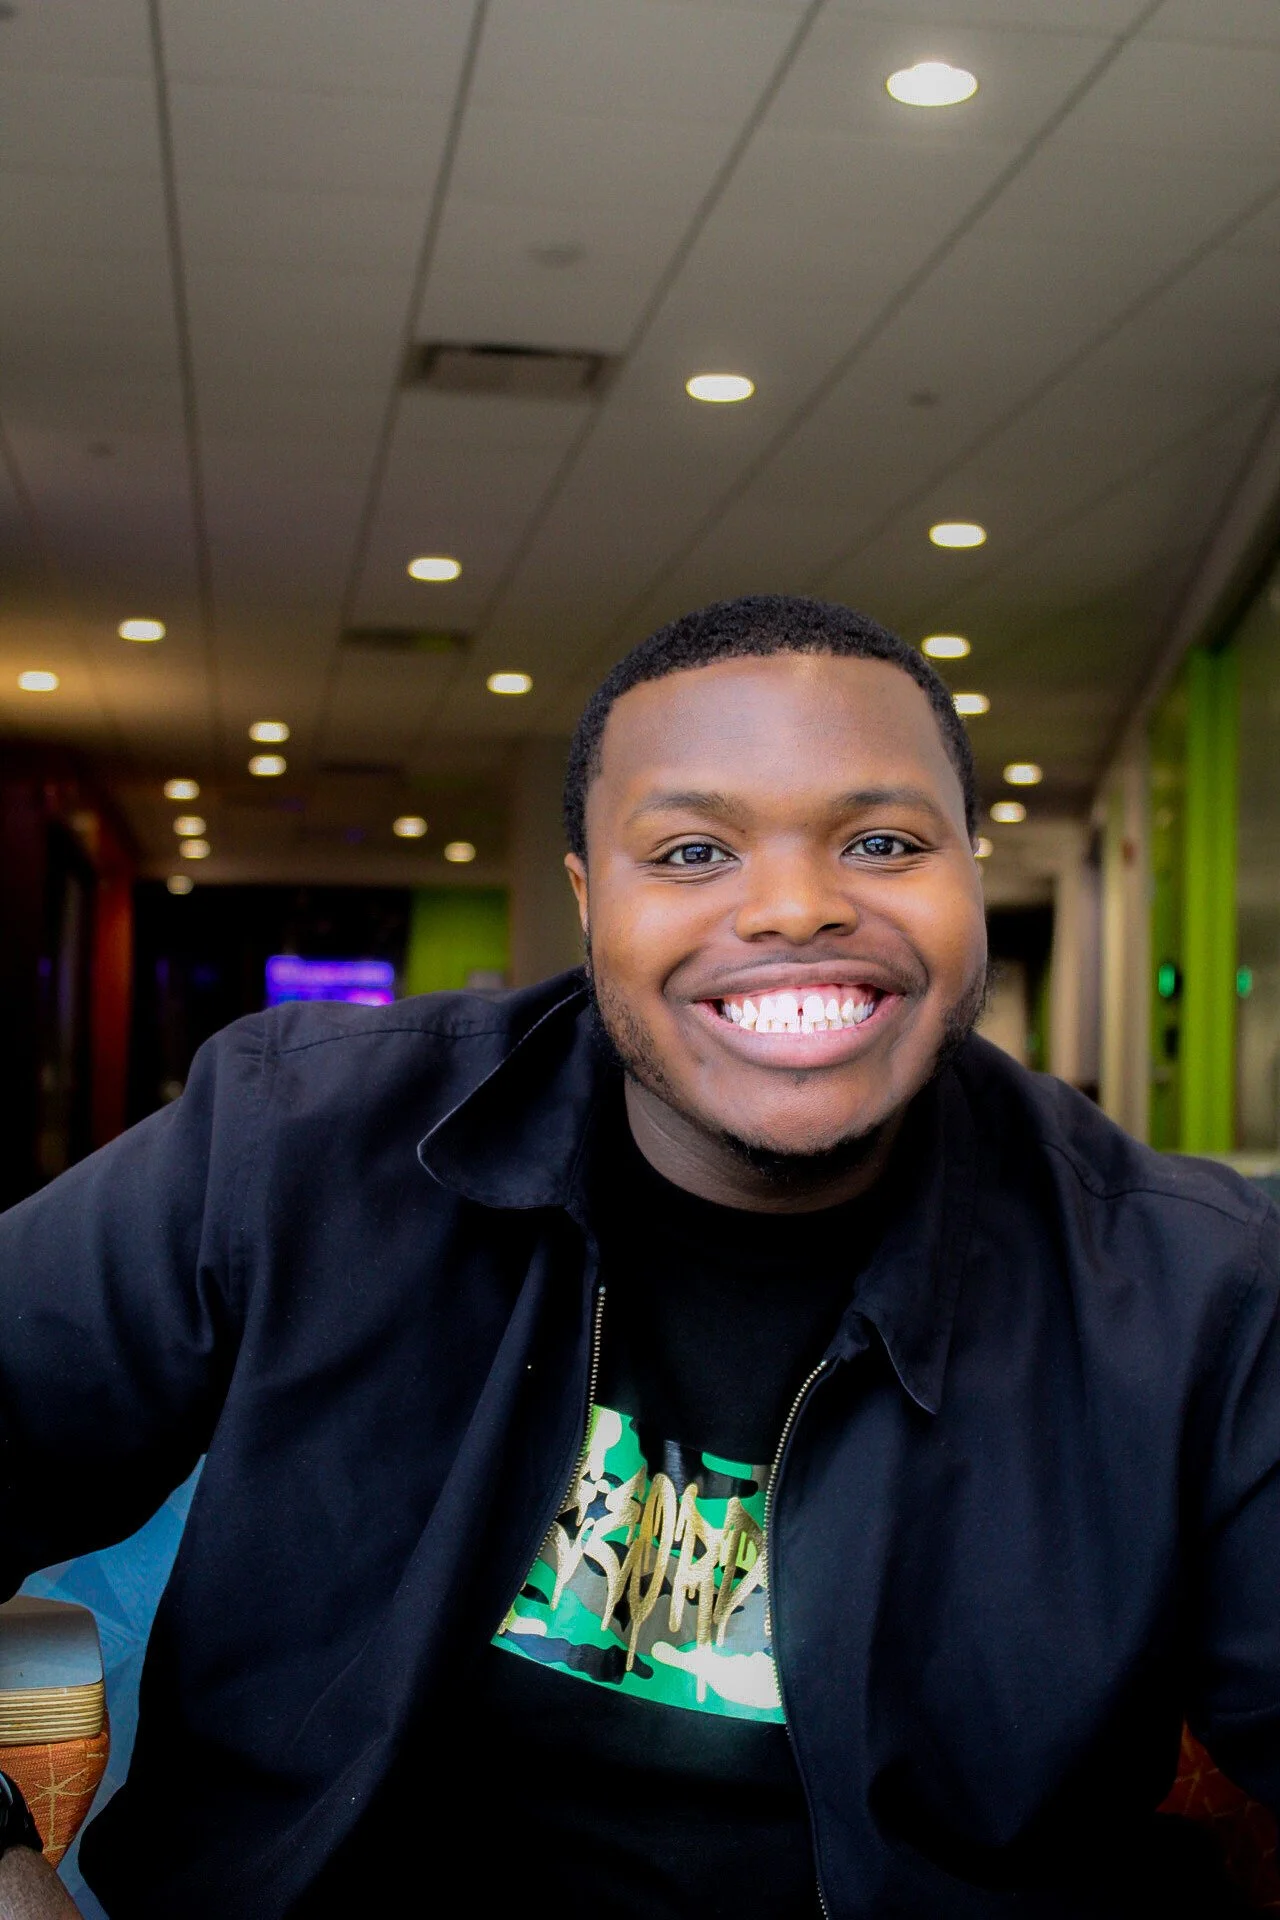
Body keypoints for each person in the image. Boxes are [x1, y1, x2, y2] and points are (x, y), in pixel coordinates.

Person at [0, 595, 1276, 1918]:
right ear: (586, 897)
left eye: (884, 842)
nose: (794, 908)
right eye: (691, 852)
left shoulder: (1197, 1296)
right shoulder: (301, 1142)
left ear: (969, 874)